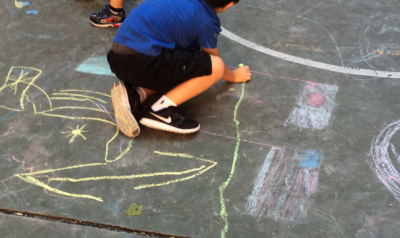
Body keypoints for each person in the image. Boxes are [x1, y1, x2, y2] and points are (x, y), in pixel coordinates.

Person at [107, 0, 252, 138]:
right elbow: (213, 61)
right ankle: (160, 111)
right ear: (229, 4)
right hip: (144, 62)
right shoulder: (206, 20)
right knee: (214, 66)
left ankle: (135, 94)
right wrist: (233, 75)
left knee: (180, 65)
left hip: (117, 57)